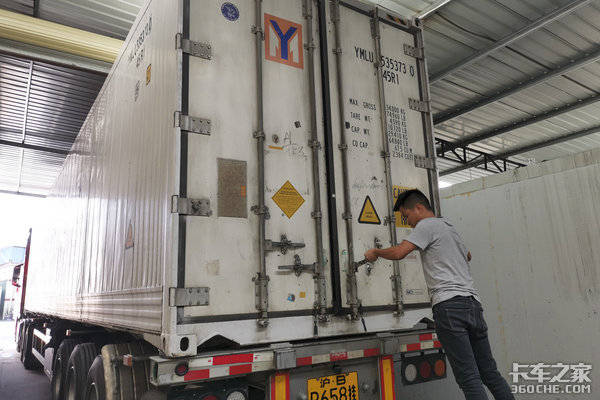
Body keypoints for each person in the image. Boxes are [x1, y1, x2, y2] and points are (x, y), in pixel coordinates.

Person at [364, 189, 514, 400]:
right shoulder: (448, 226)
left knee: (469, 378)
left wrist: (376, 252)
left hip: (449, 307)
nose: (408, 223)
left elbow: (399, 253)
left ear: (419, 208)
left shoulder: (426, 225)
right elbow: (468, 255)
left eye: (407, 216)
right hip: (472, 304)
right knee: (489, 373)